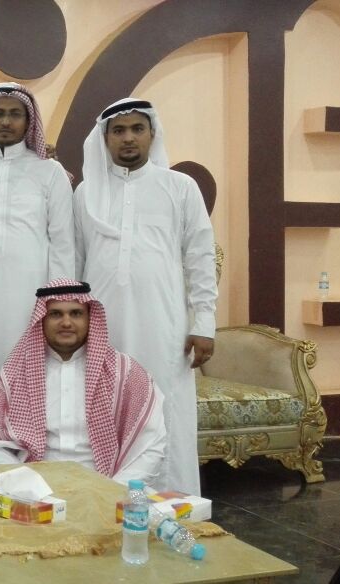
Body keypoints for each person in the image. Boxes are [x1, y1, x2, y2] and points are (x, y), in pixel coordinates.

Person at [74, 98, 217, 494]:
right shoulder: (86, 193)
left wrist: (204, 323)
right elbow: (75, 262)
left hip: (163, 324)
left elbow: (200, 258)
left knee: (165, 410)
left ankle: (173, 500)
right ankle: (108, 500)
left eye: (137, 129)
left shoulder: (180, 188)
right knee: (106, 409)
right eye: (119, 131)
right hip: (104, 327)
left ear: (152, 134)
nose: (128, 138)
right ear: (105, 139)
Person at [0, 82, 74, 460]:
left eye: (15, 114)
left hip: (33, 304)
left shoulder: (50, 173)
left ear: (29, 121)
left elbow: (63, 244)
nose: (6, 122)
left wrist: (57, 306)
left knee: (32, 385)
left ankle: (33, 466)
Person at [0, 279, 166, 485]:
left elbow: (151, 445)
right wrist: (23, 485)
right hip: (34, 488)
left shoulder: (125, 372)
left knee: (146, 503)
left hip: (106, 486)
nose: (66, 323)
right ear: (42, 319)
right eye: (55, 314)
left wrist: (114, 490)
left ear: (90, 319)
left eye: (76, 313)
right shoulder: (16, 372)